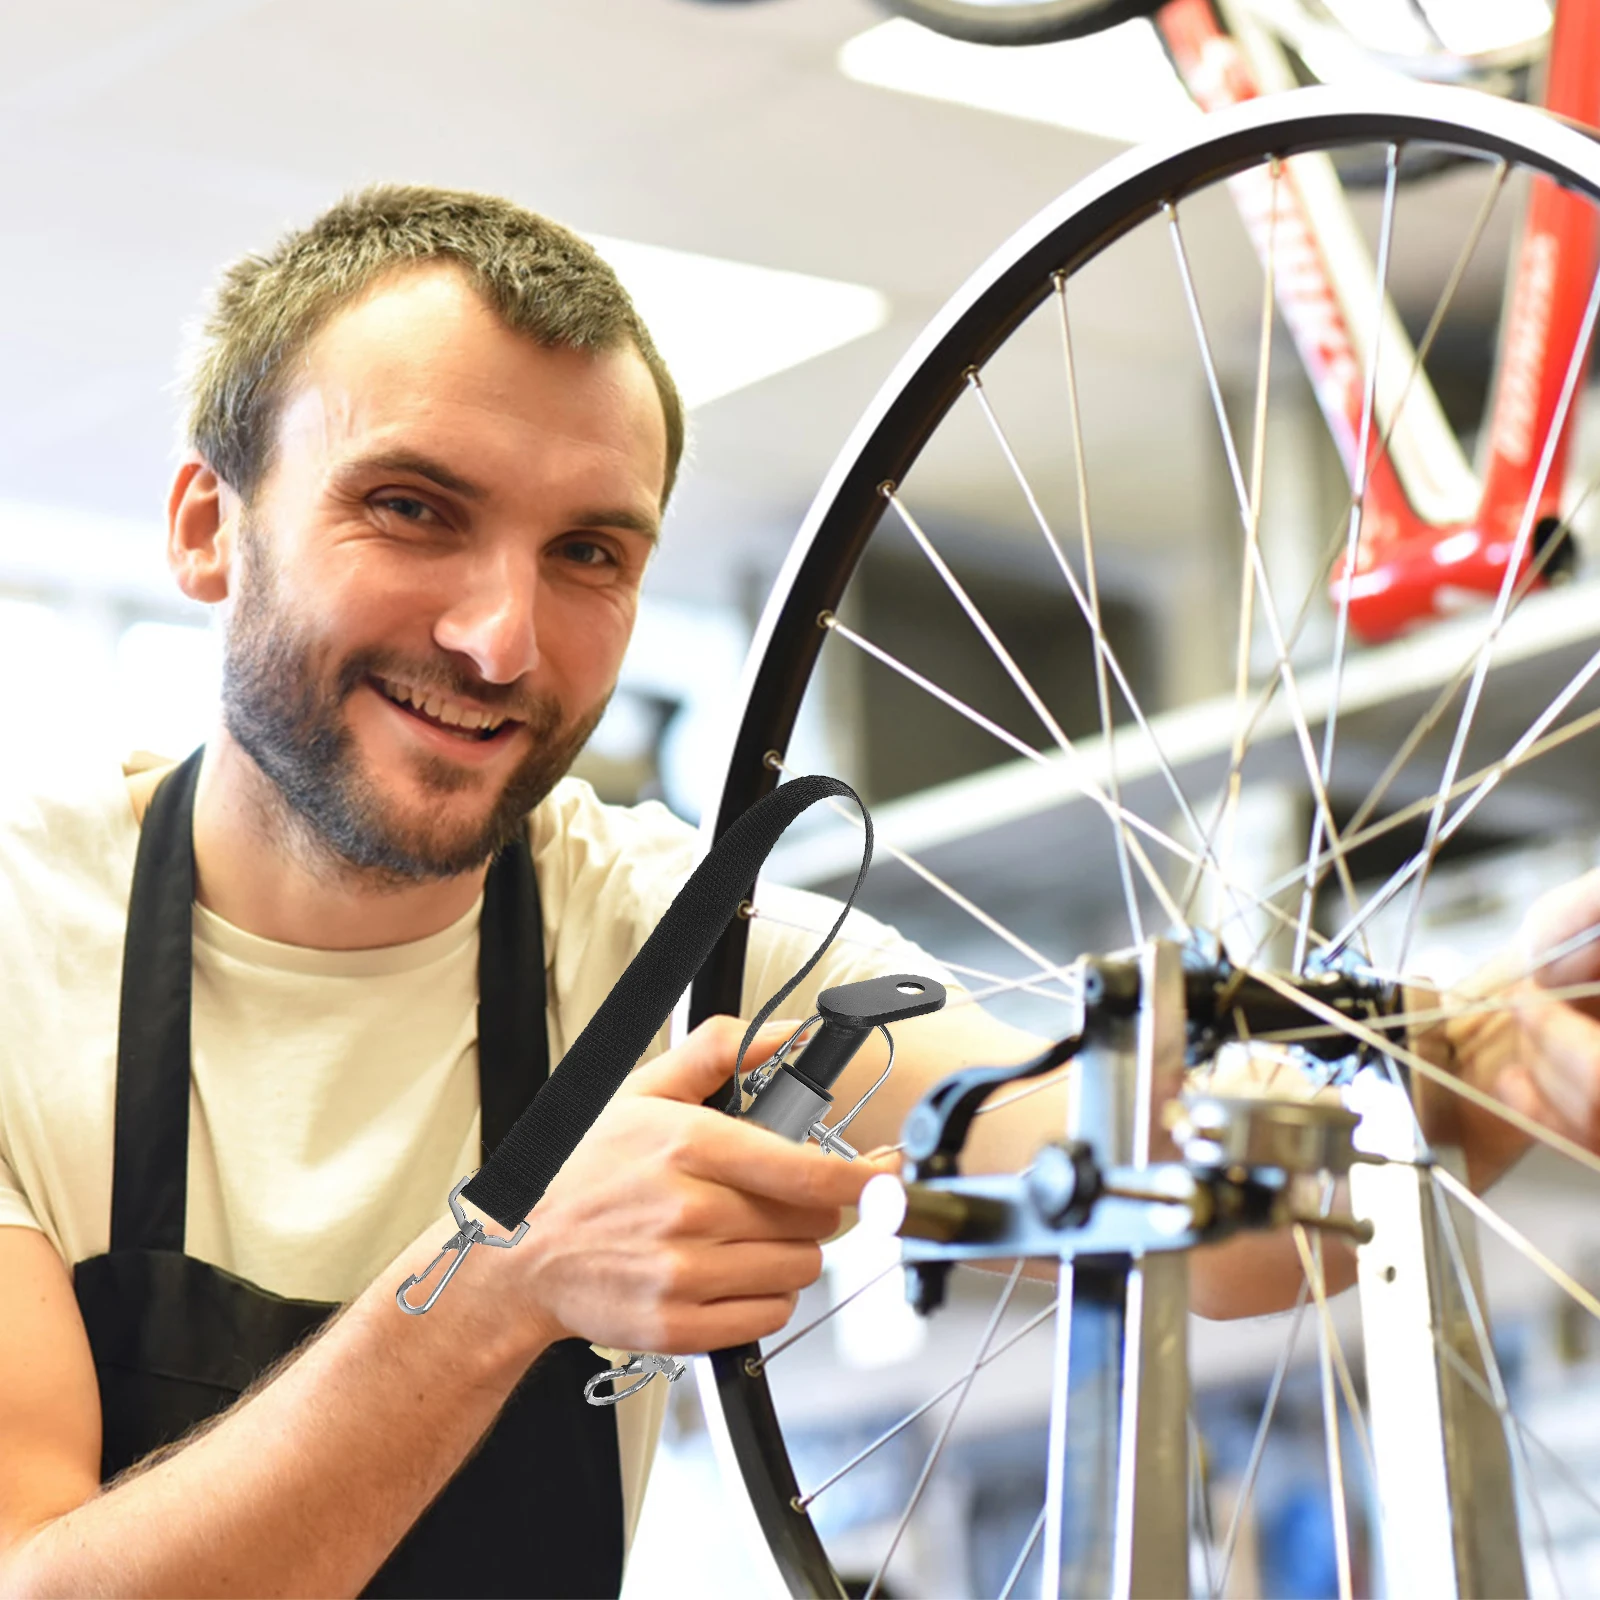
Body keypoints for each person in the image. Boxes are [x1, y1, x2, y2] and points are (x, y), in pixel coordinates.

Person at [0, 182, 1590, 1598]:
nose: (502, 639)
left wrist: (1489, 1054)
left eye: (592, 555)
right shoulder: (16, 955)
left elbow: (1151, 1197)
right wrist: (504, 1289)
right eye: (413, 510)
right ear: (210, 527)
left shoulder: (676, 946)